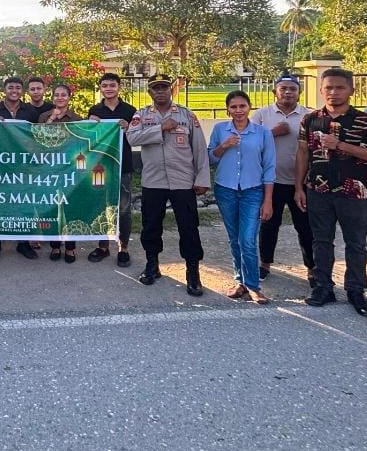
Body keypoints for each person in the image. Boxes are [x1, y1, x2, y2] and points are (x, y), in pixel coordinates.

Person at [296, 68, 367, 318]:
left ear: (351, 90)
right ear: (321, 90)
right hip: (318, 190)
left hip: (355, 192)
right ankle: (323, 287)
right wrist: (299, 187)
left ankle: (356, 290)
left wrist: (341, 145)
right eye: (328, 87)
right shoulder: (310, 120)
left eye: (340, 87)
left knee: (356, 243)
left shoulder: (366, 121)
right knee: (321, 241)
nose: (333, 92)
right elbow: (303, 153)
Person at [126, 73, 209, 297]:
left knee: (188, 227)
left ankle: (193, 272)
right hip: (153, 181)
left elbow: (199, 148)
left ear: (171, 90)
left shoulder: (186, 114)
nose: (160, 91)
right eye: (156, 88)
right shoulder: (142, 114)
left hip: (183, 180)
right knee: (151, 225)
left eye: (164, 87)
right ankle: (152, 265)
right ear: (149, 92)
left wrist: (202, 179)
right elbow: (132, 138)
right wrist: (160, 128)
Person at [208, 91, 276, 304]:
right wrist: (224, 146)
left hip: (252, 190)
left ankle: (253, 286)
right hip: (226, 189)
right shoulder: (220, 129)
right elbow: (211, 158)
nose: (238, 111)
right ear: (228, 109)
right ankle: (240, 282)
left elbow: (269, 167)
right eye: (234, 107)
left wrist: (268, 200)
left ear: (249, 107)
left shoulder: (262, 133)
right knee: (234, 238)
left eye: (242, 106)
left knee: (247, 239)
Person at [250, 72, 315, 285]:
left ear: (299, 92)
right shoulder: (262, 115)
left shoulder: (309, 115)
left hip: (300, 183)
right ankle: (265, 264)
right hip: (271, 182)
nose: (288, 92)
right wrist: (272, 132)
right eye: (283, 88)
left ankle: (312, 269)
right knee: (269, 225)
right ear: (274, 91)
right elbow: (250, 144)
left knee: (305, 227)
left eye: (293, 89)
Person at [0, 77, 41, 259]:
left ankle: (23, 243)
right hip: (0, 163)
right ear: (5, 90)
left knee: (23, 201)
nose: (14, 91)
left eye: (18, 87)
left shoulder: (30, 111)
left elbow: (37, 136)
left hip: (24, 163)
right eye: (11, 87)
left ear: (22, 91)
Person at [86, 72, 137, 266]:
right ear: (100, 88)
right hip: (100, 166)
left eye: (112, 85)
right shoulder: (95, 111)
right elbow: (89, 139)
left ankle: (123, 247)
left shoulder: (130, 110)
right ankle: (103, 246)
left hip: (123, 165)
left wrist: (129, 127)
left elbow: (137, 137)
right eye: (105, 85)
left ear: (119, 87)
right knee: (101, 206)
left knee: (123, 209)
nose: (108, 89)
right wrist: (90, 124)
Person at [40, 85, 82, 262]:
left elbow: (80, 142)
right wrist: (51, 119)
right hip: (49, 169)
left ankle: (70, 248)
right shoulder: (44, 116)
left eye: (63, 95)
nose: (59, 97)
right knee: (51, 207)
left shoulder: (76, 118)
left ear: (69, 97)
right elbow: (38, 139)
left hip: (69, 169)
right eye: (56, 95)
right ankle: (55, 246)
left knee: (70, 207)